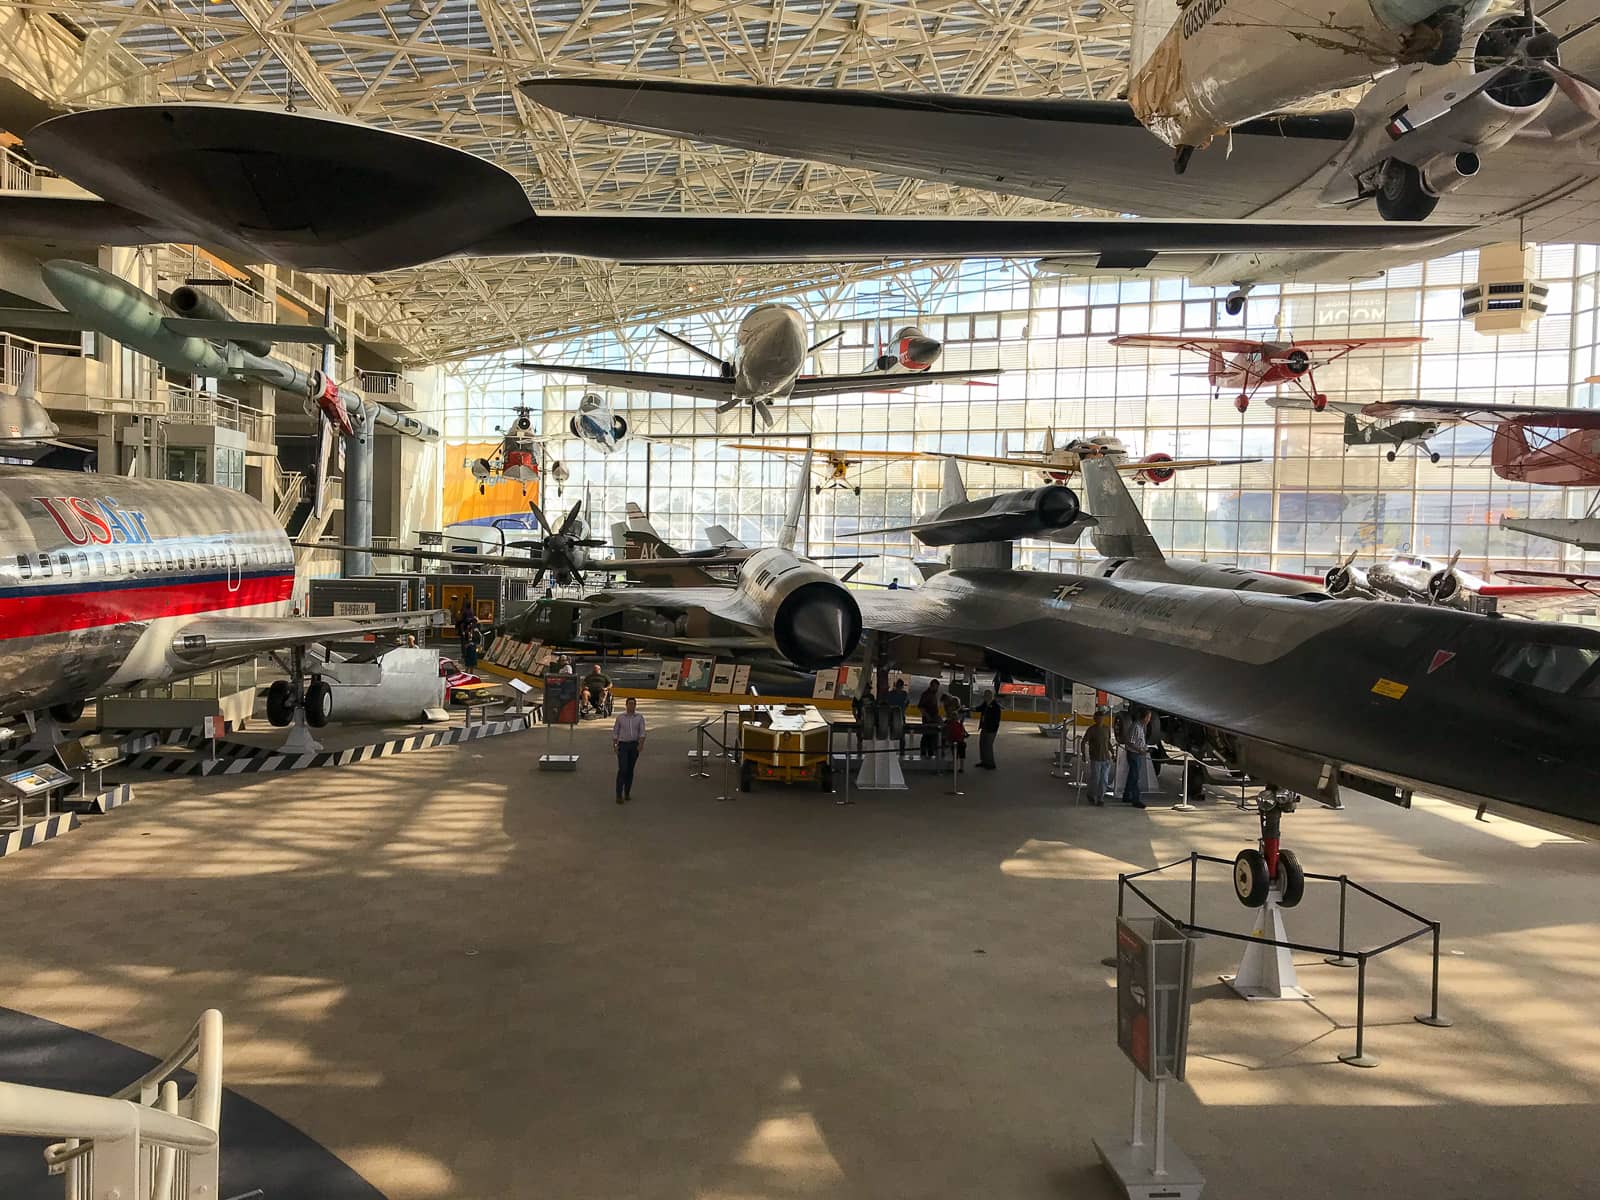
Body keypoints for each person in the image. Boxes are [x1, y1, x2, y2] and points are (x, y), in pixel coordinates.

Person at [612, 696, 646, 804]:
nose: (631, 706)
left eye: (633, 704)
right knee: (623, 769)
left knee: (630, 770)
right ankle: (618, 794)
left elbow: (642, 732)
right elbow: (615, 732)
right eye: (629, 704)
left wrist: (640, 744)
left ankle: (627, 792)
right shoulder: (620, 718)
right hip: (623, 745)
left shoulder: (639, 717)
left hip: (634, 745)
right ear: (626, 705)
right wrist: (615, 745)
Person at [1120, 706, 1151, 809]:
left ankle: (1126, 795)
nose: (1149, 720)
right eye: (1149, 717)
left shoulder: (1140, 727)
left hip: (1137, 753)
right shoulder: (1136, 727)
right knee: (1135, 777)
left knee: (1132, 776)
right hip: (1134, 754)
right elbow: (1130, 741)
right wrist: (1140, 750)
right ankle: (1135, 799)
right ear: (1145, 717)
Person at [1083, 707, 1114, 805]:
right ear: (1095, 719)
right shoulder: (1091, 730)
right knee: (1095, 778)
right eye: (1098, 718)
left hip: (1106, 758)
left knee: (1104, 779)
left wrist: (1113, 752)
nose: (1100, 720)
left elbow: (1108, 742)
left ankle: (1101, 798)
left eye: (1101, 718)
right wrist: (1084, 754)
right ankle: (1091, 794)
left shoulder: (1106, 729)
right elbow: (1083, 742)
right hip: (1096, 758)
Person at [975, 689, 1002, 770]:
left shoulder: (996, 707)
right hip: (984, 727)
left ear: (990, 697)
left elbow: (996, 720)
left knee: (988, 746)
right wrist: (970, 709)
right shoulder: (985, 704)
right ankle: (984, 761)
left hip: (991, 729)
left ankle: (991, 763)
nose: (984, 698)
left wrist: (991, 728)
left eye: (986, 696)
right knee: (982, 744)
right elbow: (979, 708)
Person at [917, 679, 942, 759]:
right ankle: (924, 752)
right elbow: (921, 707)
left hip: (933, 718)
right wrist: (927, 716)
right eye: (935, 687)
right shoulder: (926, 694)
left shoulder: (933, 694)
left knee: (932, 736)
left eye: (937, 687)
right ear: (931, 686)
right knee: (926, 735)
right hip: (928, 719)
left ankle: (931, 752)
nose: (937, 689)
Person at [944, 705, 968, 773]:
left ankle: (960, 767)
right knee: (956, 755)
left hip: (958, 742)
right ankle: (956, 767)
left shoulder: (958, 724)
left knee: (959, 755)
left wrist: (964, 735)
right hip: (954, 742)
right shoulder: (949, 724)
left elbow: (964, 732)